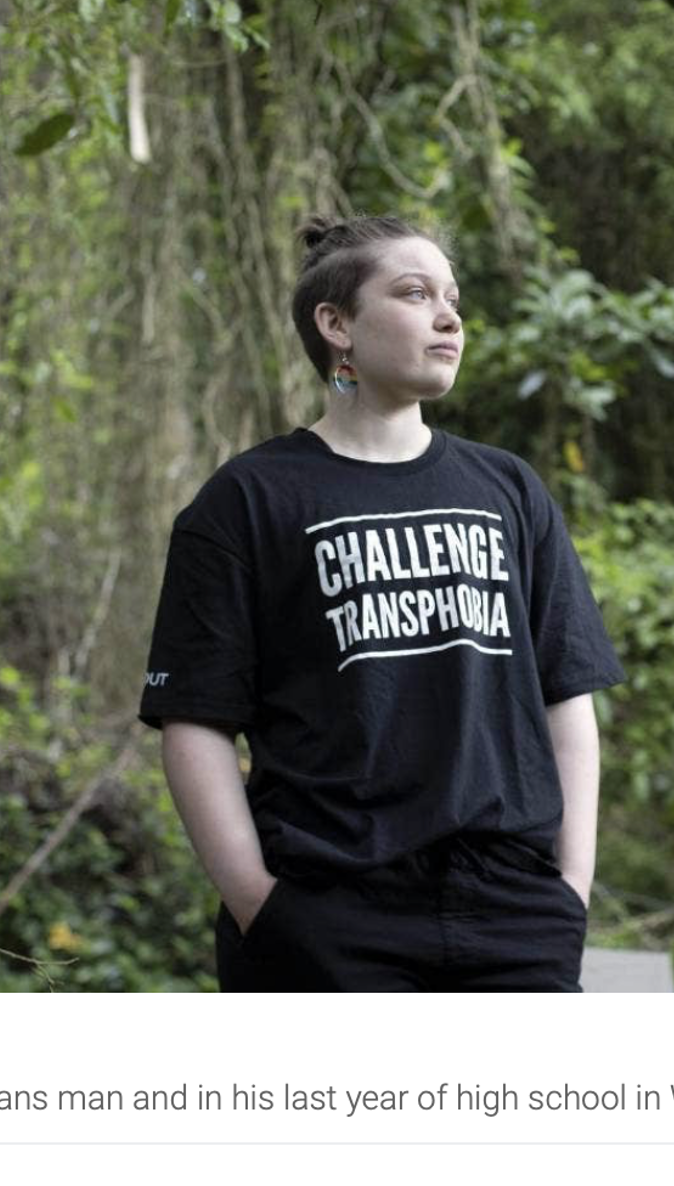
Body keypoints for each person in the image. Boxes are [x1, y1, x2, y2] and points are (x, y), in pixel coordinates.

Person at [140, 213, 624, 991]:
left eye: (453, 298)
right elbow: (195, 723)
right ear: (336, 325)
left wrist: (571, 889)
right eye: (413, 293)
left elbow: (566, 696)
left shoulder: (509, 491)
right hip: (328, 916)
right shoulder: (247, 502)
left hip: (515, 916)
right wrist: (260, 907)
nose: (449, 316)